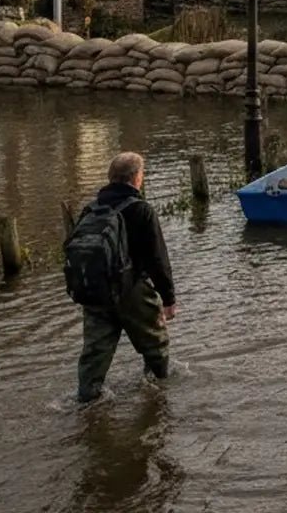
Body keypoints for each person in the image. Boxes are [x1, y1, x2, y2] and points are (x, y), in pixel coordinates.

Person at [70, 151, 176, 403]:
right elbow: (156, 257)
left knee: (95, 353)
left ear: (111, 178)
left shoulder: (91, 209)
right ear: (136, 178)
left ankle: (87, 403)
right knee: (155, 345)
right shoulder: (141, 210)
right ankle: (158, 394)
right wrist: (168, 298)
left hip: (95, 290)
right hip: (132, 290)